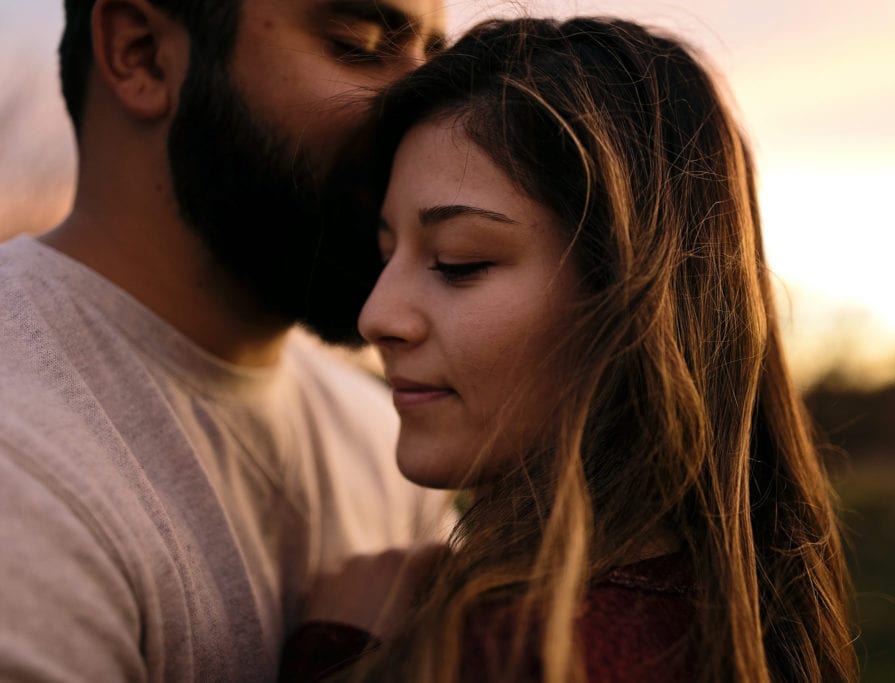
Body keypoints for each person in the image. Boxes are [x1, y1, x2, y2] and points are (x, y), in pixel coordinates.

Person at [280, 17, 858, 683]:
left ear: (627, 297)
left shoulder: (515, 652)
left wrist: (332, 651)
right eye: (387, 256)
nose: (377, 315)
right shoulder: (731, 606)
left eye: (456, 262)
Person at [0, 0, 447, 680]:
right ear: (143, 53)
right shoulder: (22, 467)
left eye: (435, 60)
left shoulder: (390, 441)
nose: (431, 111)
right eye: (359, 44)